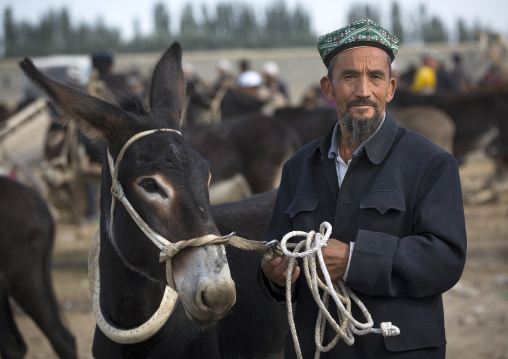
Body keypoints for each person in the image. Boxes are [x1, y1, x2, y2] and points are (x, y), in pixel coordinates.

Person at [260, 18, 467, 359]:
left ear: (391, 87)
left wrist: (355, 260)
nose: (363, 90)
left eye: (375, 77)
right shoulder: (297, 167)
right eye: (350, 77)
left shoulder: (432, 163)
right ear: (328, 88)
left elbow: (445, 260)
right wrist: (275, 274)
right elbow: (278, 252)